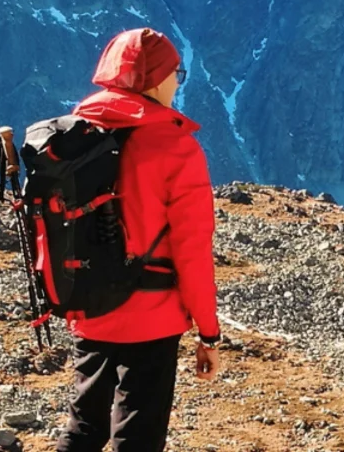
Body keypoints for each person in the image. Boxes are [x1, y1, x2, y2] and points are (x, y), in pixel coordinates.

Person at [56, 27, 221, 452]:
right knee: (138, 434)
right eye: (176, 74)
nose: (177, 84)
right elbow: (192, 249)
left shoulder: (74, 136)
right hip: (154, 316)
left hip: (88, 302)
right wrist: (208, 334)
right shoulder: (176, 149)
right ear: (153, 79)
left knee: (85, 423)